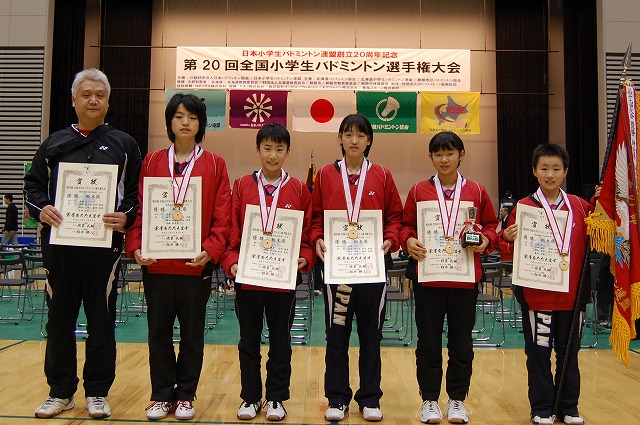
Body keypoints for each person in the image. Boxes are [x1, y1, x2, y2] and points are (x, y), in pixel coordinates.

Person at [24, 68, 142, 419]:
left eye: (100, 95)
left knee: (101, 321)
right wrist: (42, 208)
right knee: (59, 321)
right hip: (60, 249)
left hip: (103, 251)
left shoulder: (124, 145)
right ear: (73, 100)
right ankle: (60, 392)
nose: (93, 100)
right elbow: (32, 187)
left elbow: (135, 195)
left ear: (108, 102)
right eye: (86, 94)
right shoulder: (53, 144)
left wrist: (125, 217)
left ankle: (97, 392)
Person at [125, 93, 231, 421]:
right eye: (179, 116)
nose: (185, 122)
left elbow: (223, 215)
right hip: (156, 264)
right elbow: (140, 208)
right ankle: (161, 394)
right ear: (169, 121)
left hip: (195, 265)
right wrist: (136, 245)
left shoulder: (216, 164)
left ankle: (185, 394)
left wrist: (211, 249)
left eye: (193, 117)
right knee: (157, 332)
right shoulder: (152, 162)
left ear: (201, 124)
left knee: (191, 334)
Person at [309, 113, 403, 422]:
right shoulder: (325, 174)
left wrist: (391, 239)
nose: (354, 140)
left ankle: (370, 398)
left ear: (369, 140)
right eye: (348, 134)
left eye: (360, 135)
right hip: (337, 269)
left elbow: (395, 216)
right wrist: (317, 237)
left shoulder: (383, 175)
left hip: (372, 269)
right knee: (336, 335)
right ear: (339, 138)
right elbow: (315, 217)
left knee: (370, 336)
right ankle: (337, 398)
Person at [400, 131, 498, 424]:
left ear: (461, 155)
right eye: (438, 154)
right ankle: (429, 400)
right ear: (431, 157)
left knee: (461, 343)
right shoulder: (418, 191)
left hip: (463, 279)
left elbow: (491, 225)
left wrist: (486, 240)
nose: (444, 159)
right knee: (428, 342)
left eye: (450, 153)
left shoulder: (477, 191)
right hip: (428, 278)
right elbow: (405, 225)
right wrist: (408, 240)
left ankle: (457, 400)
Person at [220, 122, 314, 422]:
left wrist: (305, 257)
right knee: (248, 341)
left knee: (280, 342)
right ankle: (250, 397)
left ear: (288, 152)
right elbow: (232, 229)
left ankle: (276, 398)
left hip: (283, 281)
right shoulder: (241, 186)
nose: (273, 155)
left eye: (279, 149)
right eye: (267, 148)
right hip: (248, 278)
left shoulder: (299, 189)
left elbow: (308, 232)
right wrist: (231, 261)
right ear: (258, 150)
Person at [499, 143, 595, 425]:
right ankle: (541, 408)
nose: (550, 174)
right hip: (536, 296)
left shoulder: (581, 206)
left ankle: (568, 408)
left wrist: (603, 202)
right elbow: (507, 250)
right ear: (534, 171)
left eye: (556, 169)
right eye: (544, 168)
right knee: (538, 354)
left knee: (569, 354)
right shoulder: (523, 207)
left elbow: (602, 231)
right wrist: (507, 238)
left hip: (572, 297)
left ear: (565, 171)